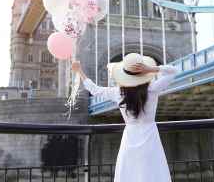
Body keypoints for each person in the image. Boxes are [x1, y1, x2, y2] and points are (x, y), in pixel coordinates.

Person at [71, 52, 178, 182]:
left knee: (130, 171)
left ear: (125, 75)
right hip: (150, 134)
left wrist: (79, 70)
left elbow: (94, 89)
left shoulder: (118, 93)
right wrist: (151, 69)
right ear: (143, 73)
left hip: (131, 135)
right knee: (152, 170)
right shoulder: (153, 88)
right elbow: (173, 71)